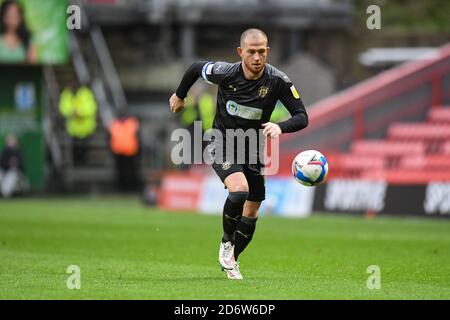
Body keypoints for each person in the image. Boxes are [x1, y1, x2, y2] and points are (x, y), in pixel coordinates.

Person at [169, 28, 308, 279]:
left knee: (252, 210)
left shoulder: (278, 81)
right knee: (239, 189)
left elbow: (302, 117)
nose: (256, 57)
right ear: (240, 52)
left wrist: (280, 126)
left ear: (267, 51)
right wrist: (180, 95)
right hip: (221, 142)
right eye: (251, 52)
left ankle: (232, 259)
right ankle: (226, 242)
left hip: (252, 149)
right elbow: (194, 68)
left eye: (261, 52)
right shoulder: (226, 72)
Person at [108, 112, 141, 192]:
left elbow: (138, 138)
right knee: (120, 172)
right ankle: (122, 189)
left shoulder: (132, 123)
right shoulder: (114, 124)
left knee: (132, 172)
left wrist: (139, 152)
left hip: (131, 152)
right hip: (118, 152)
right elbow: (110, 138)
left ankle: (132, 189)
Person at [0, 134, 29, 198]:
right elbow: (2, 163)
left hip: (14, 172)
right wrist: (8, 164)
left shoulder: (18, 151)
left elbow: (21, 165)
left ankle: (6, 195)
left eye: (12, 140)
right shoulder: (5, 150)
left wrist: (15, 164)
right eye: (9, 140)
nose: (11, 142)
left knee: (11, 176)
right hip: (4, 170)